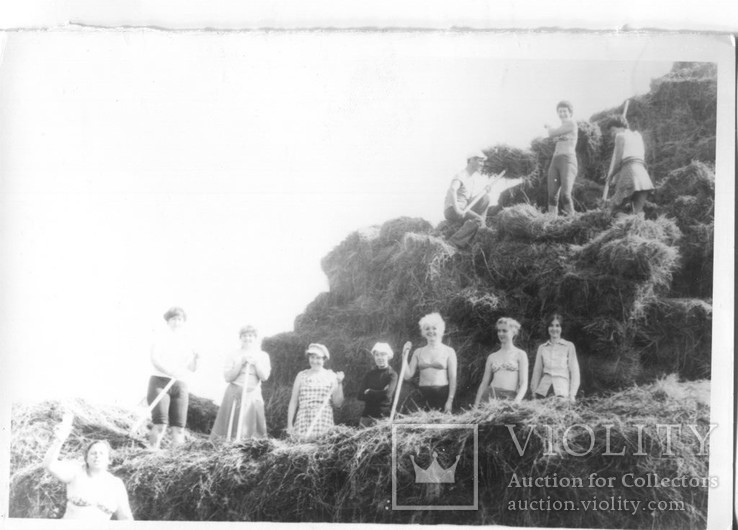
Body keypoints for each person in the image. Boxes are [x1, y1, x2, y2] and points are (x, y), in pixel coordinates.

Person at [43, 413, 133, 520]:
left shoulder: (116, 484)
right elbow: (50, 466)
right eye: (93, 453)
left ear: (109, 460)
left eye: (101, 453)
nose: (97, 456)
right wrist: (59, 440)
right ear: (86, 458)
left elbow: (125, 518)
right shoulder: (76, 473)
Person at [146, 306, 199, 450]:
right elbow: (155, 359)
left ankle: (176, 459)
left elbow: (192, 368)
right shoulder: (160, 337)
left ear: (184, 322)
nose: (177, 322)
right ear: (168, 321)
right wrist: (169, 371)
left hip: (180, 384)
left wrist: (196, 358)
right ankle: (151, 453)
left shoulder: (187, 341)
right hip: (160, 381)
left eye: (180, 319)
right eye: (174, 319)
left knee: (179, 427)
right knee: (161, 424)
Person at [210, 325, 271, 441]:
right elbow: (228, 378)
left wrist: (256, 363)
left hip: (253, 394)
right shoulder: (233, 354)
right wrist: (240, 363)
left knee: (251, 429)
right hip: (235, 392)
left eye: (250, 336)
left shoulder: (263, 355)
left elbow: (264, 377)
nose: (248, 338)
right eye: (245, 336)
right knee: (230, 428)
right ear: (240, 338)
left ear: (255, 338)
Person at [401, 313, 457, 412]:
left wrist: (450, 401)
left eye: (434, 328)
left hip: (442, 394)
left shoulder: (449, 351)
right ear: (423, 332)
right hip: (423, 395)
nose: (431, 331)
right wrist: (404, 356)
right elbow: (407, 376)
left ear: (440, 330)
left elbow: (453, 378)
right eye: (427, 329)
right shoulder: (418, 352)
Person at [287, 343, 345, 440]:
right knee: (302, 451)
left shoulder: (331, 376)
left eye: (318, 358)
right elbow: (293, 401)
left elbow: (338, 403)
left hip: (323, 420)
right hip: (303, 420)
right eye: (312, 357)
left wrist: (339, 383)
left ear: (324, 359)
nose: (314, 361)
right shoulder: (301, 375)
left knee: (321, 452)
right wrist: (289, 425)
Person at [601, 115, 655, 216]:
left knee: (613, 211)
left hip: (630, 174)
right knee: (636, 211)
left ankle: (625, 223)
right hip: (643, 176)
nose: (612, 134)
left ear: (621, 127)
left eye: (613, 130)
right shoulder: (637, 135)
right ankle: (637, 226)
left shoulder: (620, 136)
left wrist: (611, 175)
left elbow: (618, 162)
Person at [474, 317, 529, 405]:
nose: (501, 333)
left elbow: (524, 382)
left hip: (509, 398)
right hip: (490, 398)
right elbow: (484, 384)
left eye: (504, 331)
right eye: (499, 331)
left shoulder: (520, 354)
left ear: (513, 332)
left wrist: (517, 400)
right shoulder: (492, 357)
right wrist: (476, 405)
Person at [443, 151, 490, 249]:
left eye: (482, 162)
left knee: (485, 198)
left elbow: (469, 200)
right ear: (472, 160)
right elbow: (452, 190)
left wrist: (484, 191)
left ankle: (482, 226)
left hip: (464, 207)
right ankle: (451, 244)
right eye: (480, 161)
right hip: (452, 210)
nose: (482, 164)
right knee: (478, 220)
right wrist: (458, 210)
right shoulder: (462, 175)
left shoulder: (471, 178)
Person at [531, 313, 581, 401]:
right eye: (551, 326)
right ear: (547, 328)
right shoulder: (542, 348)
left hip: (561, 392)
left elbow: (575, 372)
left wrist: (572, 395)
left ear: (561, 328)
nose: (554, 329)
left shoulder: (569, 346)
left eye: (557, 326)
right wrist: (534, 393)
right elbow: (537, 371)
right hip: (543, 392)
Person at [544, 100, 579, 216]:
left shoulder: (571, 124)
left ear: (570, 112)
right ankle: (551, 220)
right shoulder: (561, 128)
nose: (562, 113)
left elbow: (552, 133)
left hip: (567, 160)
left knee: (565, 194)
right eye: (559, 111)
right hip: (555, 161)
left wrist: (549, 127)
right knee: (552, 194)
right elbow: (555, 137)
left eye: (564, 111)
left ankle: (572, 217)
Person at [356, 342, 403, 427]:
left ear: (388, 356)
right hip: (366, 417)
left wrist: (370, 391)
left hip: (383, 417)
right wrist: (381, 392)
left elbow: (387, 395)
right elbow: (360, 396)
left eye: (383, 354)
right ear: (374, 357)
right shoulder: (369, 374)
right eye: (377, 355)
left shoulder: (392, 374)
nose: (379, 357)